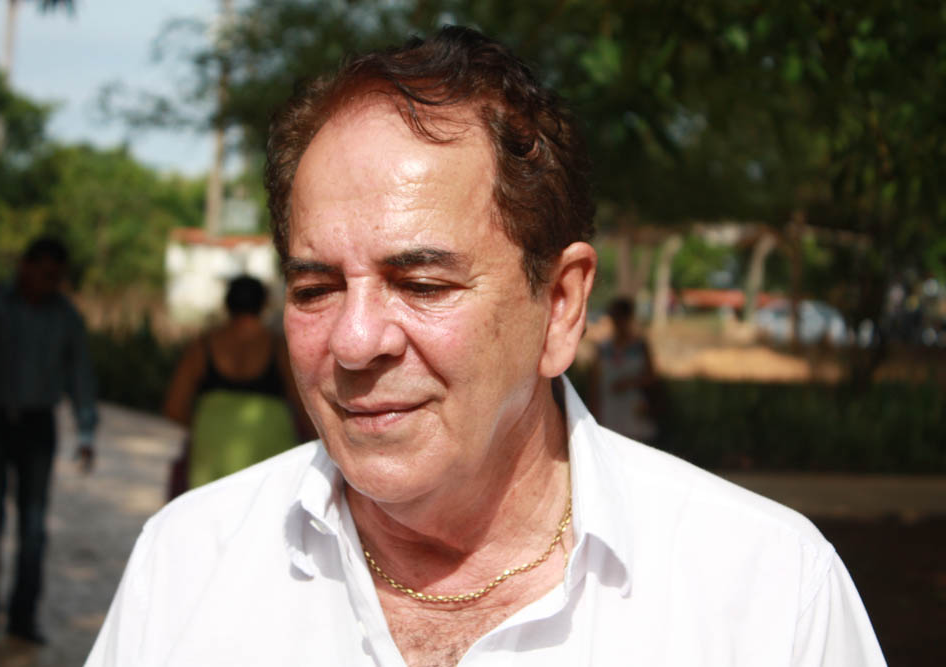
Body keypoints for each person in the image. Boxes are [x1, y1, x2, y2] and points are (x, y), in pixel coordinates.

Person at [87, 27, 884, 666]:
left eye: (421, 283)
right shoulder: (188, 565)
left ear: (561, 306)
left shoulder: (768, 597)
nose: (355, 341)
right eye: (316, 288)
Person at [0, 236, 98, 645]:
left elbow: (79, 375)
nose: (50, 283)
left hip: (37, 426)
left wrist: (86, 431)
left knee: (34, 526)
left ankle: (23, 618)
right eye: (45, 274)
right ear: (25, 266)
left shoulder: (66, 317)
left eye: (57, 277)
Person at [161, 274, 311, 495]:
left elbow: (173, 407)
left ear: (226, 304)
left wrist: (210, 423)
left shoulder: (202, 347)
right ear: (263, 305)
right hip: (269, 449)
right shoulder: (279, 348)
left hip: (212, 449)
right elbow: (303, 405)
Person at [589, 296, 659, 442]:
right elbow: (595, 385)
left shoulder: (640, 346)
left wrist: (629, 383)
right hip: (609, 412)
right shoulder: (603, 349)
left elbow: (651, 377)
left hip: (635, 412)